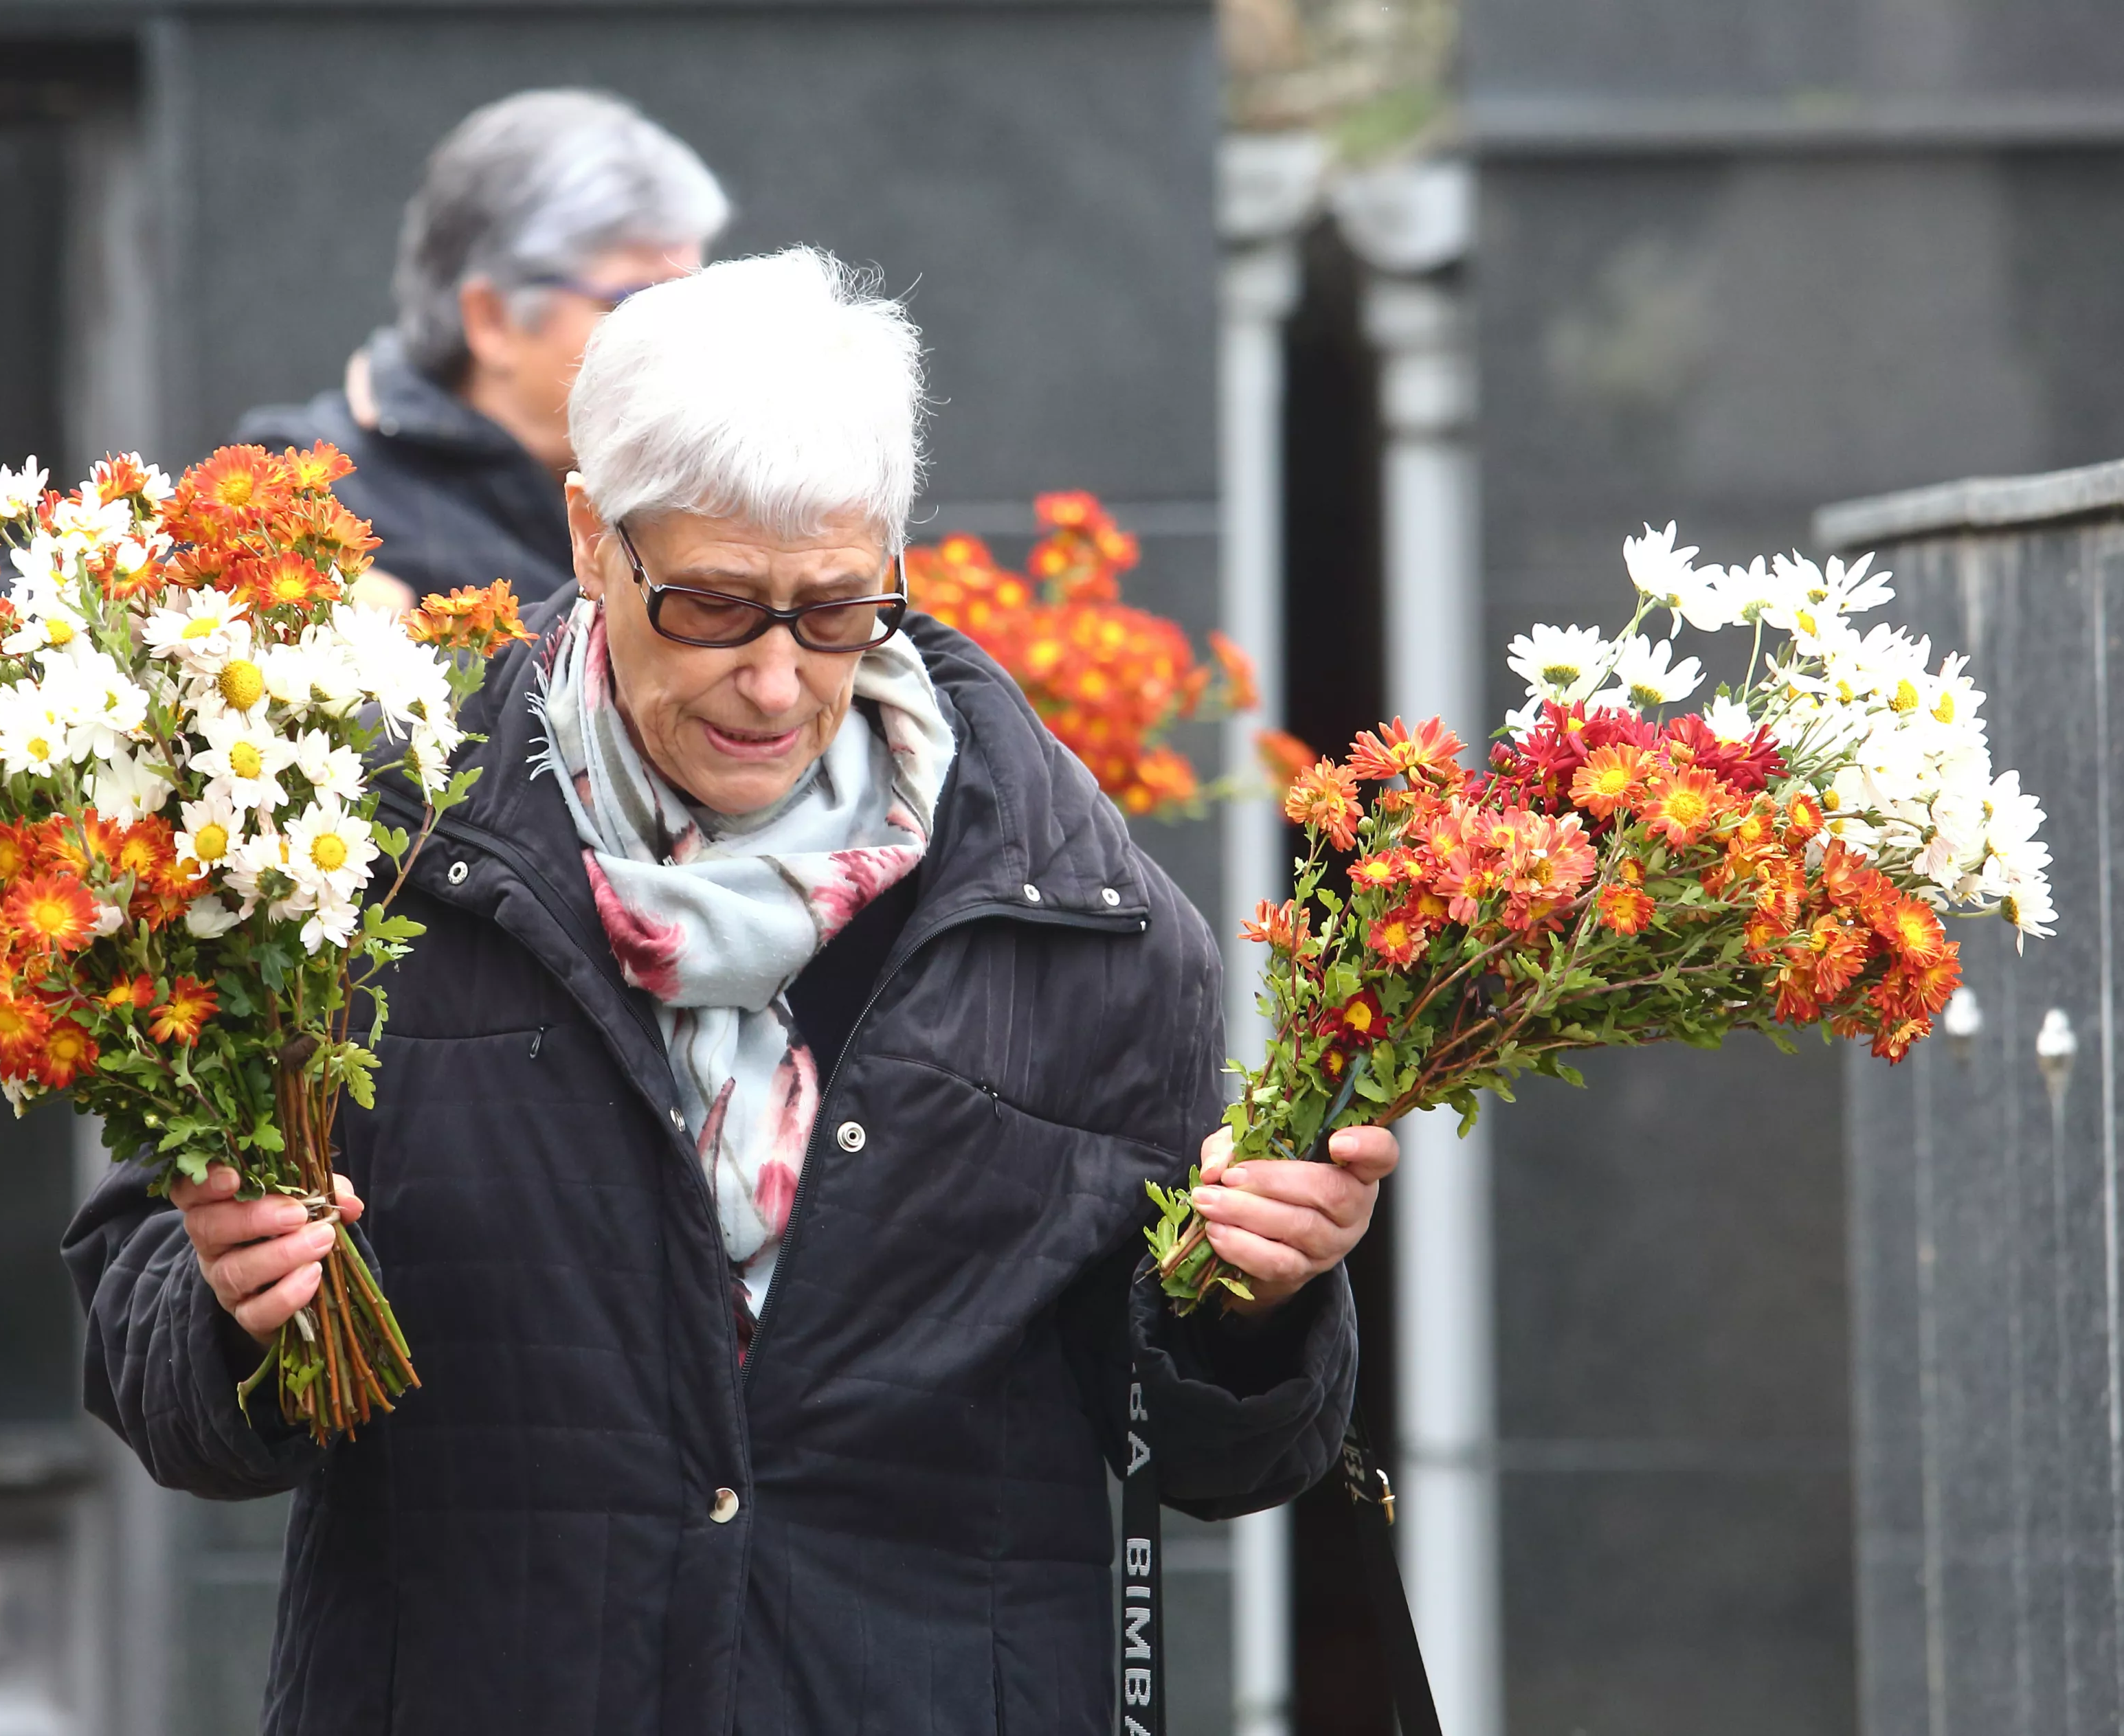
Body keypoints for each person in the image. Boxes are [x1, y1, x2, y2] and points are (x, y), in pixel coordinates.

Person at [69, 248, 1396, 1735]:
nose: (775, 682)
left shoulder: (1084, 924)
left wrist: (1256, 1304)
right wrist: (234, 1313)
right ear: (587, 537)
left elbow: (1208, 1457)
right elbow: (155, 1367)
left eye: (835, 612)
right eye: (711, 607)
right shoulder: (363, 871)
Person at [237, 88, 727, 609]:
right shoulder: (303, 493)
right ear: (491, 319)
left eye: (692, 298)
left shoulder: (723, 476)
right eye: (631, 302)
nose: (681, 336)